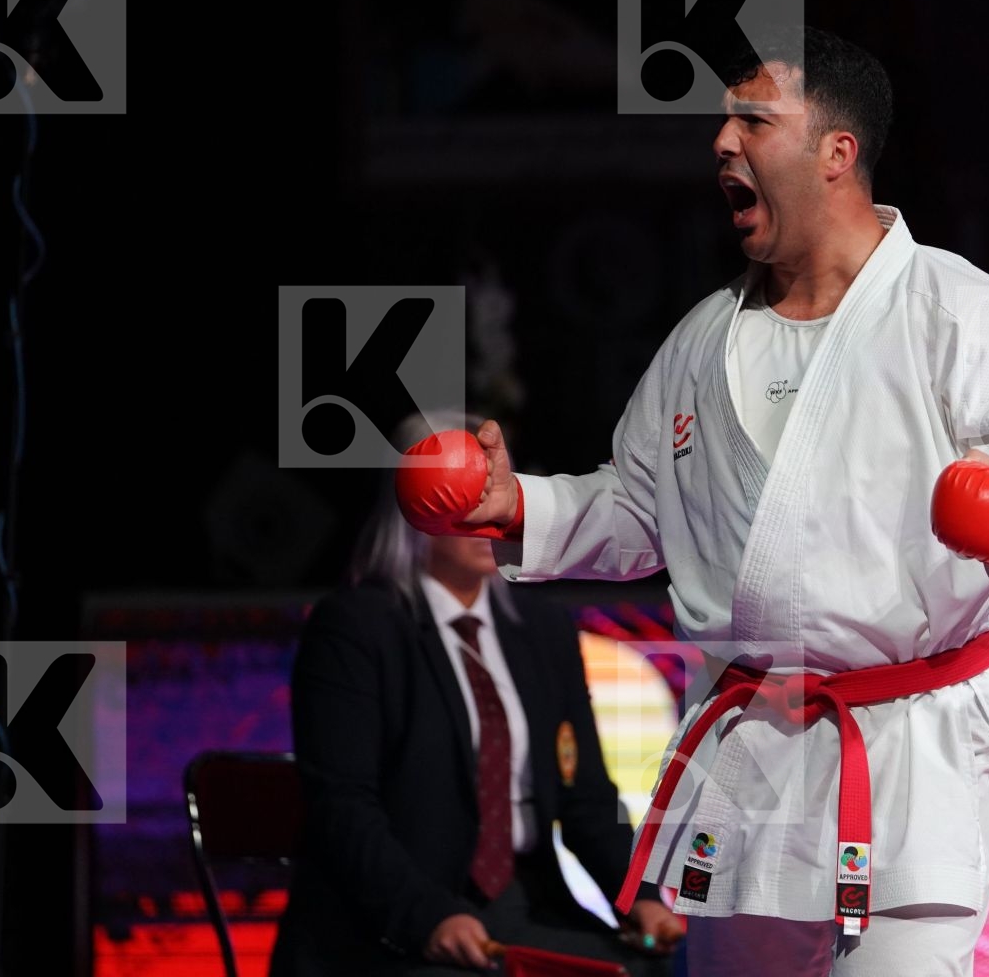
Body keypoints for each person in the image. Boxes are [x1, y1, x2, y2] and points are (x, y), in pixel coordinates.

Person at [399, 29, 989, 975]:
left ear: (837, 152)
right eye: (723, 124)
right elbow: (641, 511)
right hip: (753, 762)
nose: (722, 143)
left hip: (907, 760)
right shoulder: (701, 340)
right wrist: (516, 504)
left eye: (753, 120)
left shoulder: (958, 315)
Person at [271, 415, 682, 976]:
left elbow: (584, 797)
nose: (487, 512)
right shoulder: (356, 628)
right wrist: (429, 917)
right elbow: (343, 809)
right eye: (465, 489)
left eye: (495, 490)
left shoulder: (543, 632)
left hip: (521, 904)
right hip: (392, 924)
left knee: (650, 969)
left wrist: (643, 897)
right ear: (417, 503)